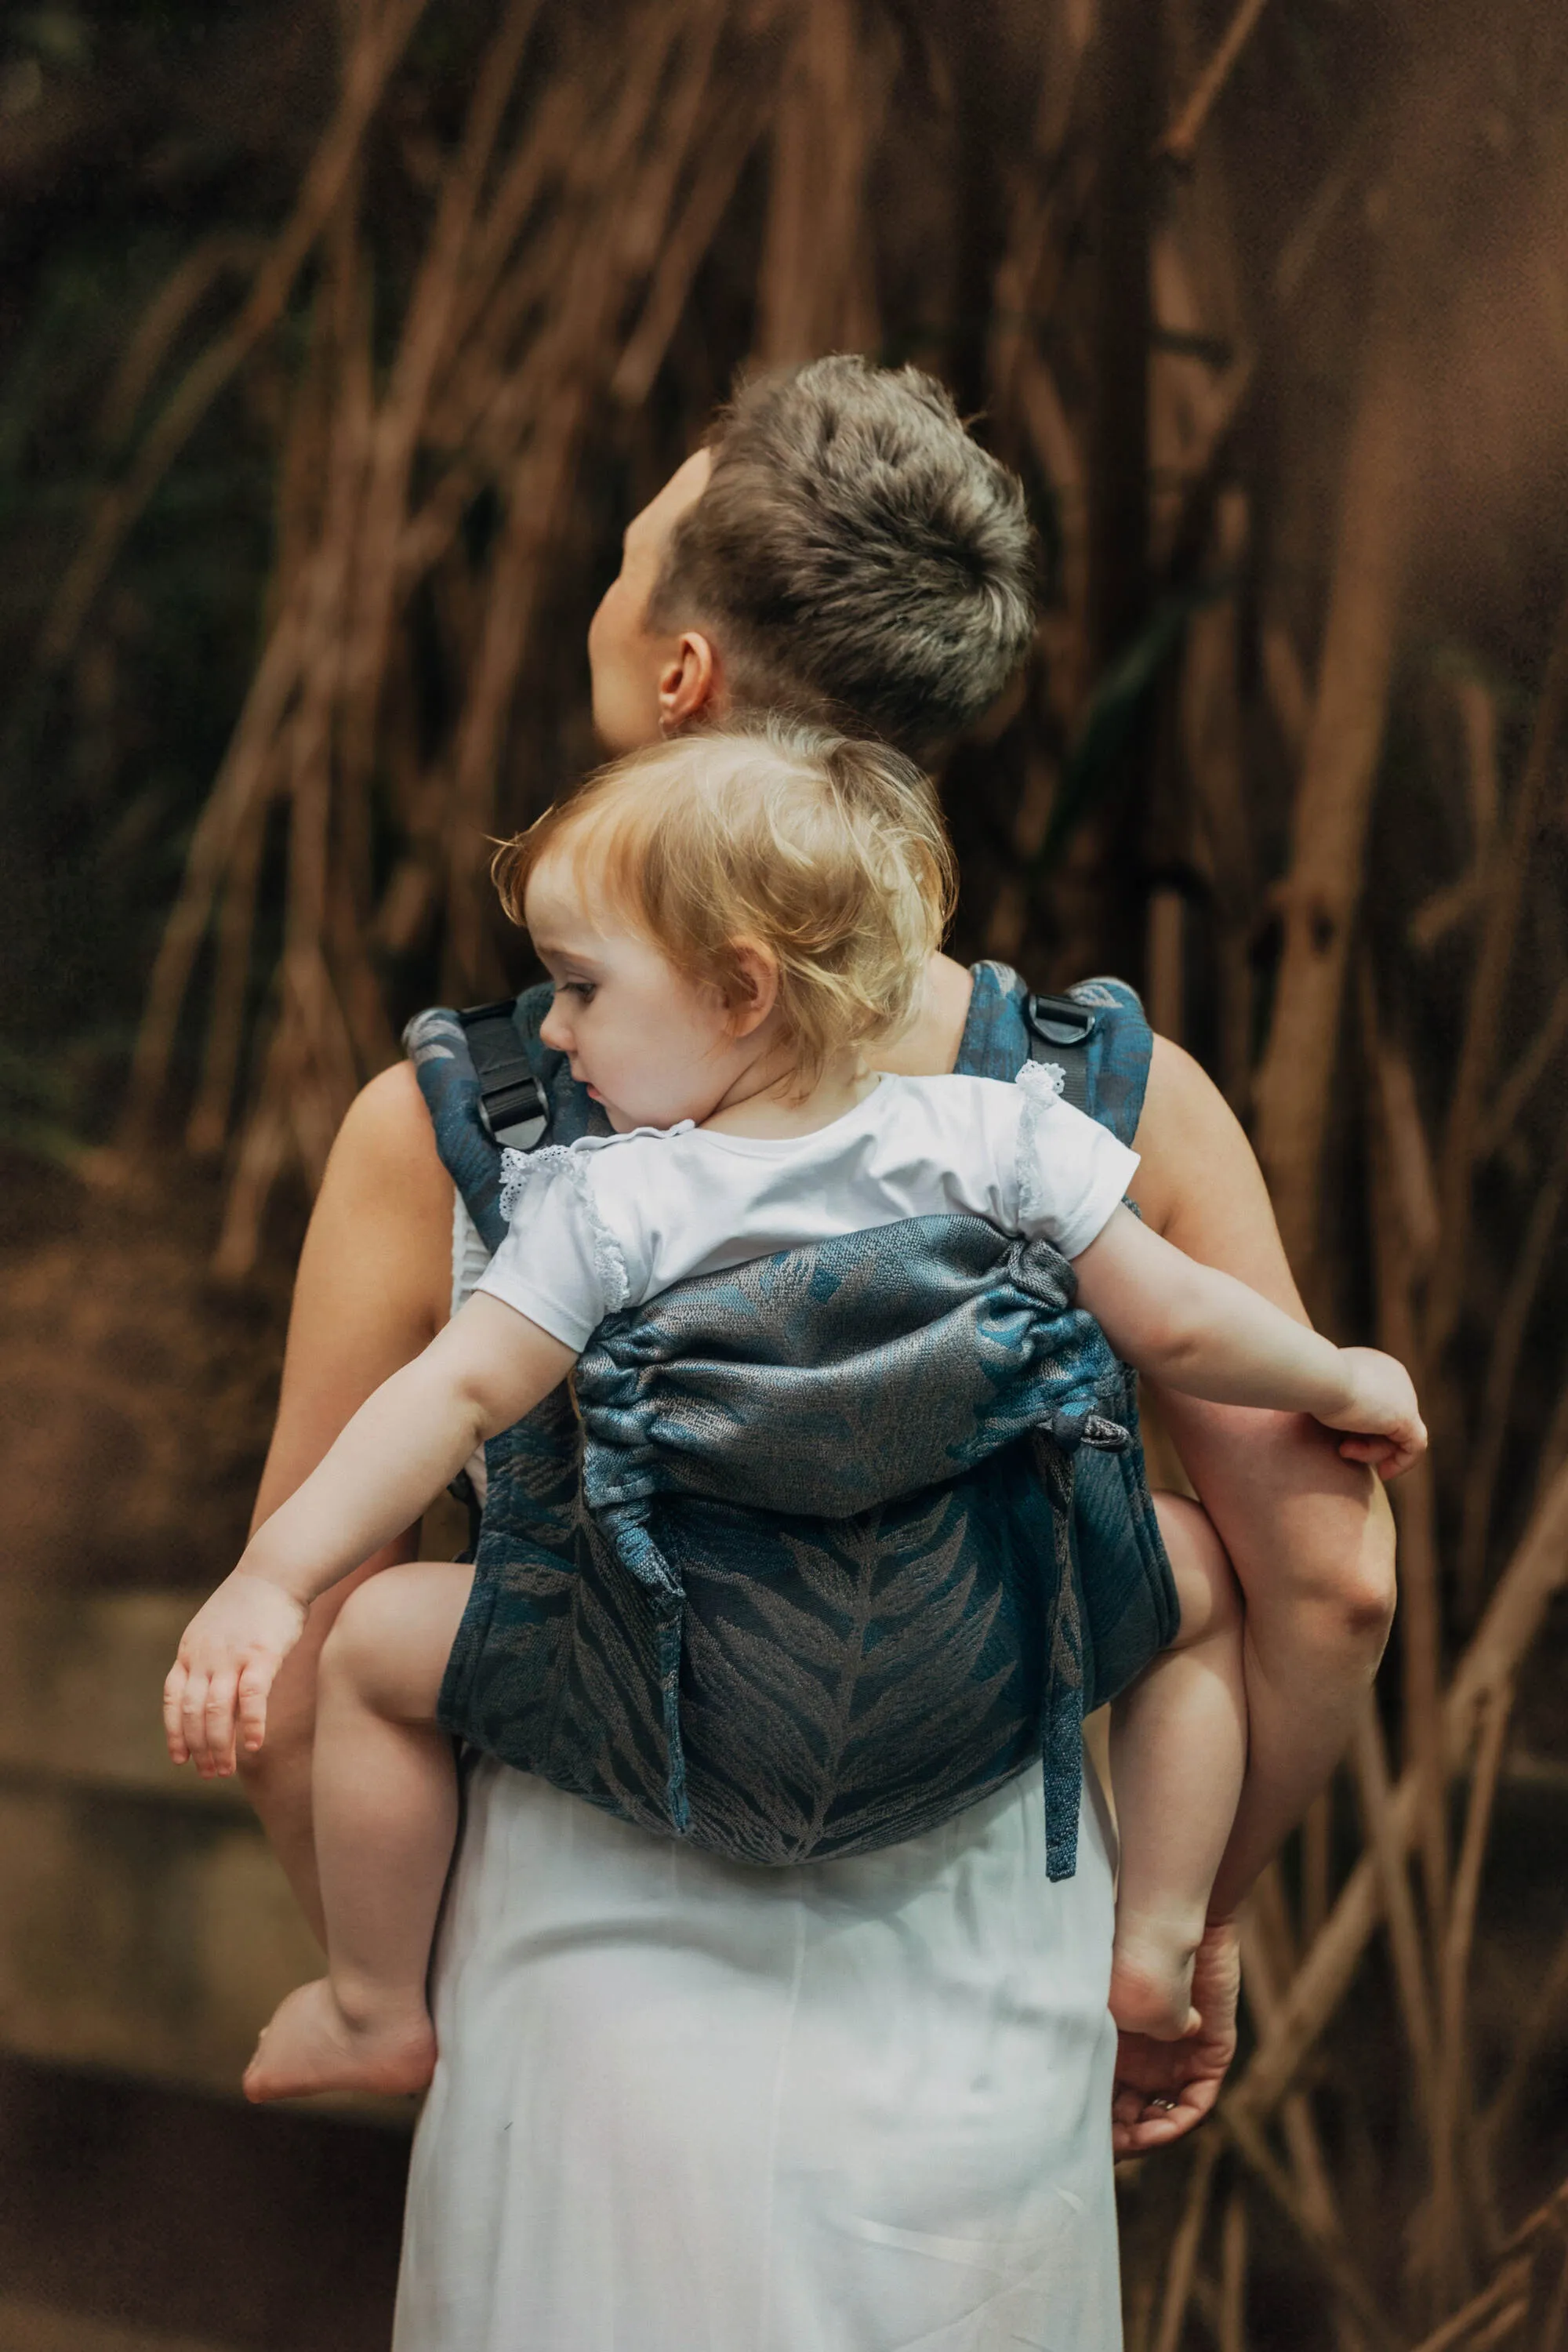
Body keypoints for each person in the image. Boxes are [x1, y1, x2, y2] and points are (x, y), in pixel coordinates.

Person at [224, 358, 1397, 2346]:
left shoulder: (465, 1128)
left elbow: (288, 1673)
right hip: (982, 2012)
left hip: (575, 2014)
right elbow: (1334, 1584)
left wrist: (380, 1968)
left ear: (676, 674)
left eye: (619, 565)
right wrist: (1186, 1928)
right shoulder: (1106, 1103)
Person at [165, 724, 1420, 2106]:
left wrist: (274, 1582)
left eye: (580, 986)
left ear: (741, 987)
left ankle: (373, 2003)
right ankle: (1162, 1936)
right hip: (967, 1701)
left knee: (365, 1651)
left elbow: (453, 1392)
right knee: (1204, 1584)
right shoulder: (1010, 1136)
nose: (560, 1030)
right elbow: (1184, 1322)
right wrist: (1343, 1378)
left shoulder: (602, 1203)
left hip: (673, 1722)